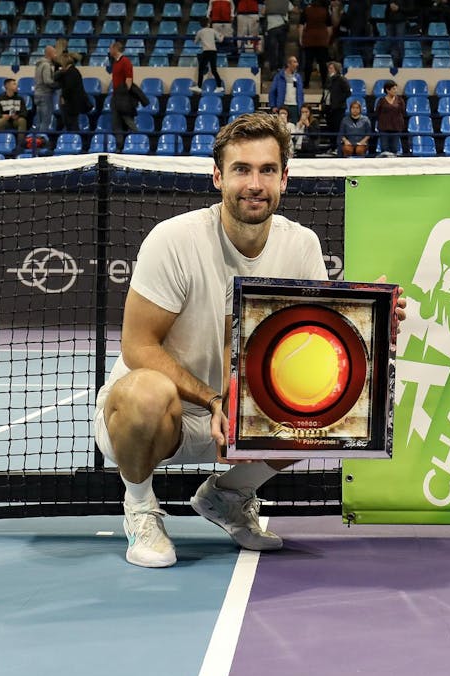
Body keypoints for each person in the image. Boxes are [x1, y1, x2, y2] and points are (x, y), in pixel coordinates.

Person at [92, 112, 406, 568]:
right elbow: (138, 348)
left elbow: (318, 352)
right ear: (218, 176)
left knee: (339, 405)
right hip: (160, 419)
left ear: (285, 179)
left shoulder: (301, 246)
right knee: (146, 391)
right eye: (241, 169)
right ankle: (140, 507)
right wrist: (214, 398)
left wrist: (372, 333)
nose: (254, 183)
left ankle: (229, 495)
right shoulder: (174, 240)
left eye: (266, 170)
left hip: (245, 419)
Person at [107, 42, 139, 145]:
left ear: (115, 49)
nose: (109, 51)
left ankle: (138, 137)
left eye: (111, 48)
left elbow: (129, 80)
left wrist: (124, 94)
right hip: (116, 95)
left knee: (127, 119)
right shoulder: (115, 62)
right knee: (116, 122)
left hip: (122, 96)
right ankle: (119, 145)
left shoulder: (125, 62)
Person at [299, 0, 333, 88]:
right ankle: (324, 83)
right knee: (322, 63)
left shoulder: (306, 10)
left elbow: (301, 26)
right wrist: (327, 39)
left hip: (309, 39)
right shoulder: (325, 11)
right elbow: (329, 28)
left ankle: (306, 83)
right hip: (322, 39)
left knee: (308, 63)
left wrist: (300, 38)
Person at [55, 53, 91, 132]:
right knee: (71, 125)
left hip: (71, 104)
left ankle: (74, 141)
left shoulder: (71, 73)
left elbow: (68, 88)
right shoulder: (73, 71)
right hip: (73, 103)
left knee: (71, 125)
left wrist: (63, 97)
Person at [0, 78, 29, 151]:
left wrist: (18, 116)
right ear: (7, 86)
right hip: (6, 121)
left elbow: (24, 112)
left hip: (16, 120)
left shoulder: (20, 99)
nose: (16, 86)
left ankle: (20, 145)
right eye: (14, 84)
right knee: (1, 121)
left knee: (22, 120)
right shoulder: (0, 99)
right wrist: (2, 116)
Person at [373, 80, 406, 156]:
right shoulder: (381, 101)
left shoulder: (400, 100)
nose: (396, 91)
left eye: (396, 88)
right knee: (384, 149)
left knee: (394, 149)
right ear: (387, 90)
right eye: (393, 89)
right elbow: (377, 113)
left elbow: (403, 112)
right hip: (384, 128)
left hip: (396, 128)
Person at [194, 18, 227, 93]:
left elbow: (195, 42)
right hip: (213, 51)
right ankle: (219, 86)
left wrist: (201, 39)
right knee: (214, 70)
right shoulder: (213, 30)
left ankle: (199, 86)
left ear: (201, 25)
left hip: (206, 52)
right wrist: (222, 35)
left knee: (201, 69)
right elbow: (220, 40)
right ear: (208, 24)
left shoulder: (200, 32)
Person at [268, 55, 304, 122]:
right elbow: (272, 91)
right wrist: (273, 106)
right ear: (288, 64)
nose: (297, 64)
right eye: (295, 62)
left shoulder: (298, 77)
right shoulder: (279, 76)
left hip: (295, 107)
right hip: (283, 106)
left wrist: (301, 107)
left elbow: (301, 94)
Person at [321, 61, 351, 139]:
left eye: (331, 68)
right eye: (329, 68)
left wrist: (338, 101)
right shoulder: (328, 80)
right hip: (328, 107)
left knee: (337, 128)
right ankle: (332, 145)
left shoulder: (342, 79)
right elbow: (325, 92)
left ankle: (336, 146)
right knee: (330, 127)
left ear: (336, 69)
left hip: (338, 108)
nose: (329, 70)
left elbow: (348, 92)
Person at [263, 0, 293, 76]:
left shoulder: (268, 1)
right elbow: (292, 9)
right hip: (282, 26)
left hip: (271, 28)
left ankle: (273, 69)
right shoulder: (286, 1)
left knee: (272, 50)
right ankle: (280, 68)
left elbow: (263, 12)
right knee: (281, 49)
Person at [33, 44, 59, 132]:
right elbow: (47, 81)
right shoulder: (46, 65)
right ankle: (41, 142)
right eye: (55, 53)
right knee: (45, 121)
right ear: (50, 54)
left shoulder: (39, 65)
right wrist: (57, 85)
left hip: (37, 94)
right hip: (45, 95)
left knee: (39, 121)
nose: (56, 55)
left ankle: (35, 142)